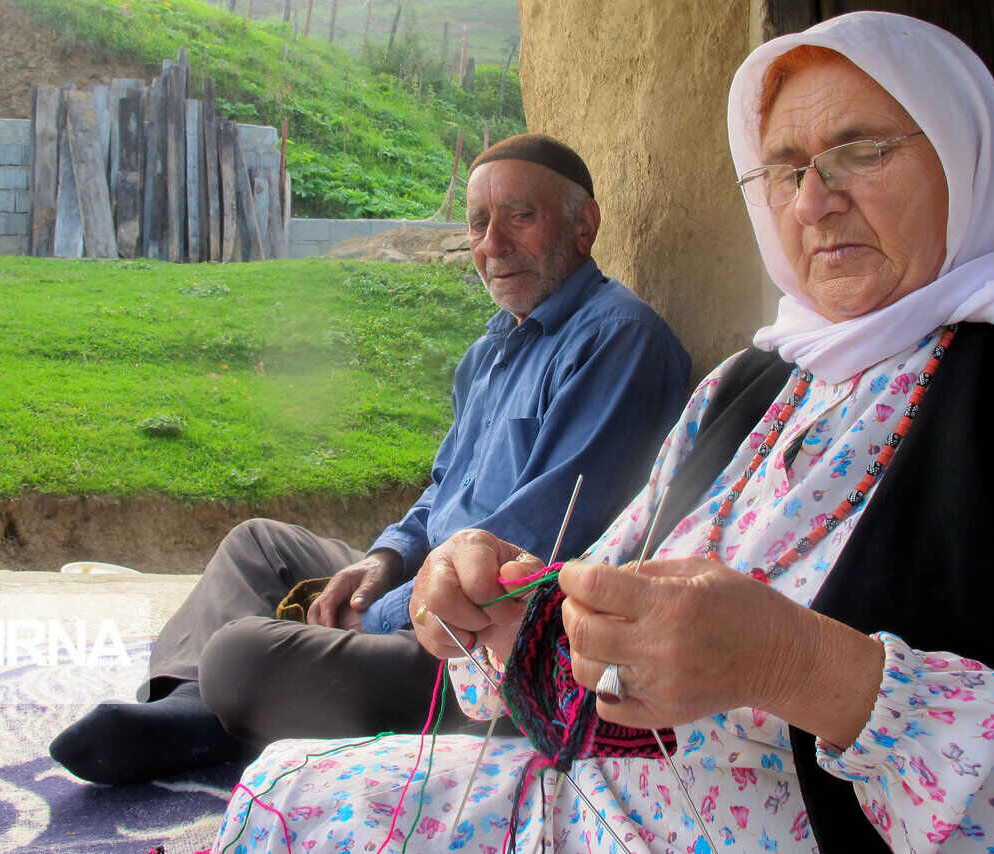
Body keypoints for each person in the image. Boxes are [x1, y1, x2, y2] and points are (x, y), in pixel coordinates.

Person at [205, 12, 994, 853]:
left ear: (967, 153)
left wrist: (804, 667)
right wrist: (507, 607)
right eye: (786, 170)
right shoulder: (751, 386)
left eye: (863, 150)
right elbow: (596, 603)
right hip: (593, 804)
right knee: (284, 793)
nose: (813, 200)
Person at [49, 133, 691, 786]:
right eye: (477, 224)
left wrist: (377, 612)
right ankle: (191, 714)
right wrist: (382, 561)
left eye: (519, 217)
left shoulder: (619, 340)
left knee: (242, 657)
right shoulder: (489, 355)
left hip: (479, 653)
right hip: (416, 598)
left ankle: (221, 709)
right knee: (258, 547)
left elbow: (527, 554)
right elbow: (442, 495)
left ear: (584, 226)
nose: (491, 245)